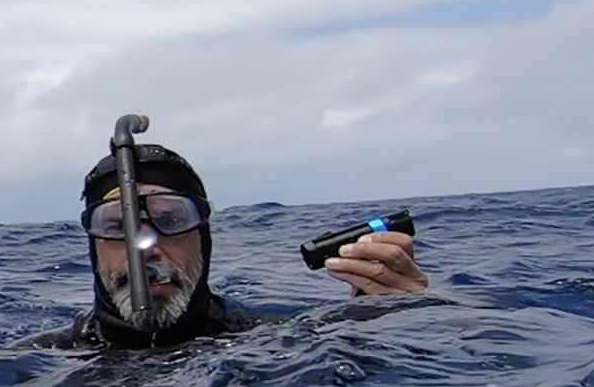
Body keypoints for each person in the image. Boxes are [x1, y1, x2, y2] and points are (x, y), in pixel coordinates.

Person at [30, 143, 429, 350]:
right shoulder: (41, 361)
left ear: (204, 238)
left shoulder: (275, 345)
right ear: (93, 246)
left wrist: (395, 321)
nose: (145, 247)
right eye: (116, 225)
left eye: (171, 220)